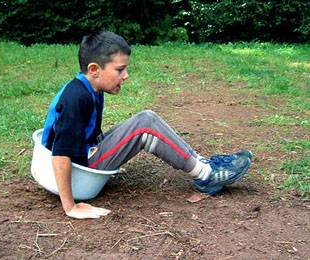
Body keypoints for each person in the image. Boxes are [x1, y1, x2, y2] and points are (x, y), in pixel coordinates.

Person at [41, 31, 252, 219]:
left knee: (146, 119)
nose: (126, 76)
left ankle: (204, 165)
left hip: (84, 157)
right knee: (145, 124)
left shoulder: (89, 88)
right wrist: (70, 207)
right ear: (95, 69)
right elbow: (60, 154)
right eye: (120, 70)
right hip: (79, 174)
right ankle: (207, 176)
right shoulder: (76, 97)